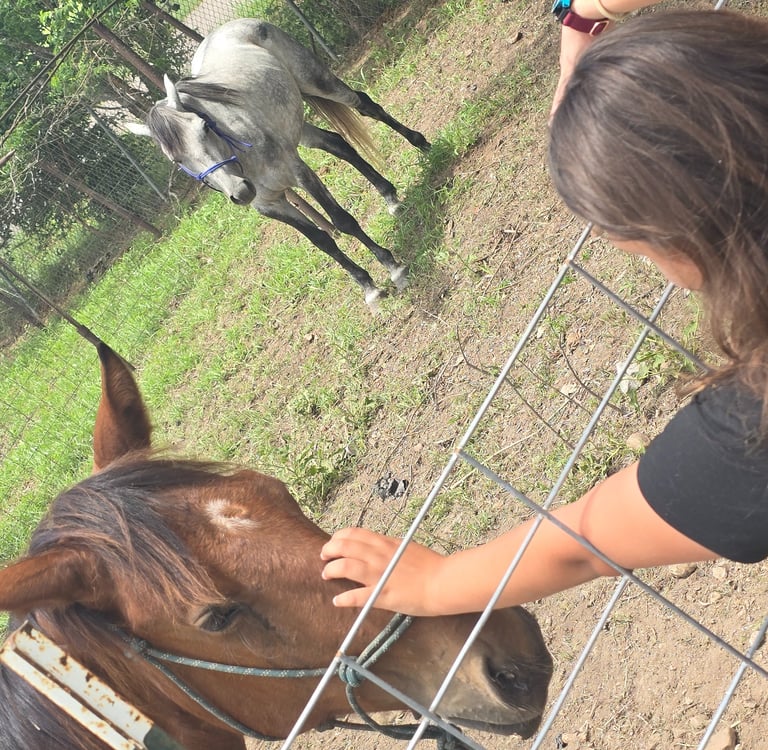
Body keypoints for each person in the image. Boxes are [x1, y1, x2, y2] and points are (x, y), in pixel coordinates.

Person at [320, 9, 768, 617]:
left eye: (629, 246)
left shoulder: (751, 426)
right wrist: (585, 21)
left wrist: (434, 583)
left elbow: (586, 541)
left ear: (674, 243)